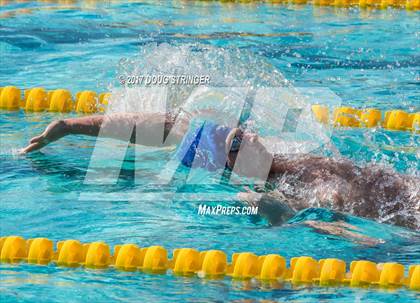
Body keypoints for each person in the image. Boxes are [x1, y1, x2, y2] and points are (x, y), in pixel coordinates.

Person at [20, 112, 420, 232]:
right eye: (237, 142)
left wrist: (71, 125)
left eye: (241, 131)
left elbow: (169, 125)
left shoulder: (284, 157)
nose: (248, 136)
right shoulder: (272, 192)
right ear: (233, 166)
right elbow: (326, 227)